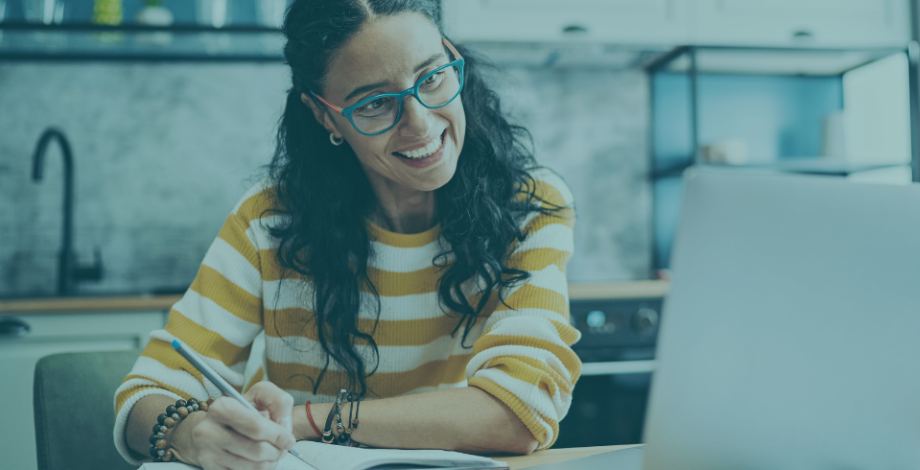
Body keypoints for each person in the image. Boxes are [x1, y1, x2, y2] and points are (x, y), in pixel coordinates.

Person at [113, 1, 580, 468]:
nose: (420, 123)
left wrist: (304, 420)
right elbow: (144, 396)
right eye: (375, 102)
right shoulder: (269, 219)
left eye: (433, 76)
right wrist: (192, 434)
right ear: (324, 115)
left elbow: (519, 413)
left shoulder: (529, 206)